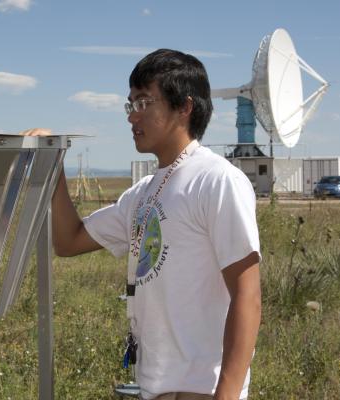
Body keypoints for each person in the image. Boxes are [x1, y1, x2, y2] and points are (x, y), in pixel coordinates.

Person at [50, 49, 262, 400]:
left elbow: (248, 296)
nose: (132, 116)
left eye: (145, 102)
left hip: (203, 390)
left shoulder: (217, 181)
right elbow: (68, 241)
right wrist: (53, 164)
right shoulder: (142, 194)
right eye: (130, 104)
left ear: (185, 107)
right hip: (156, 387)